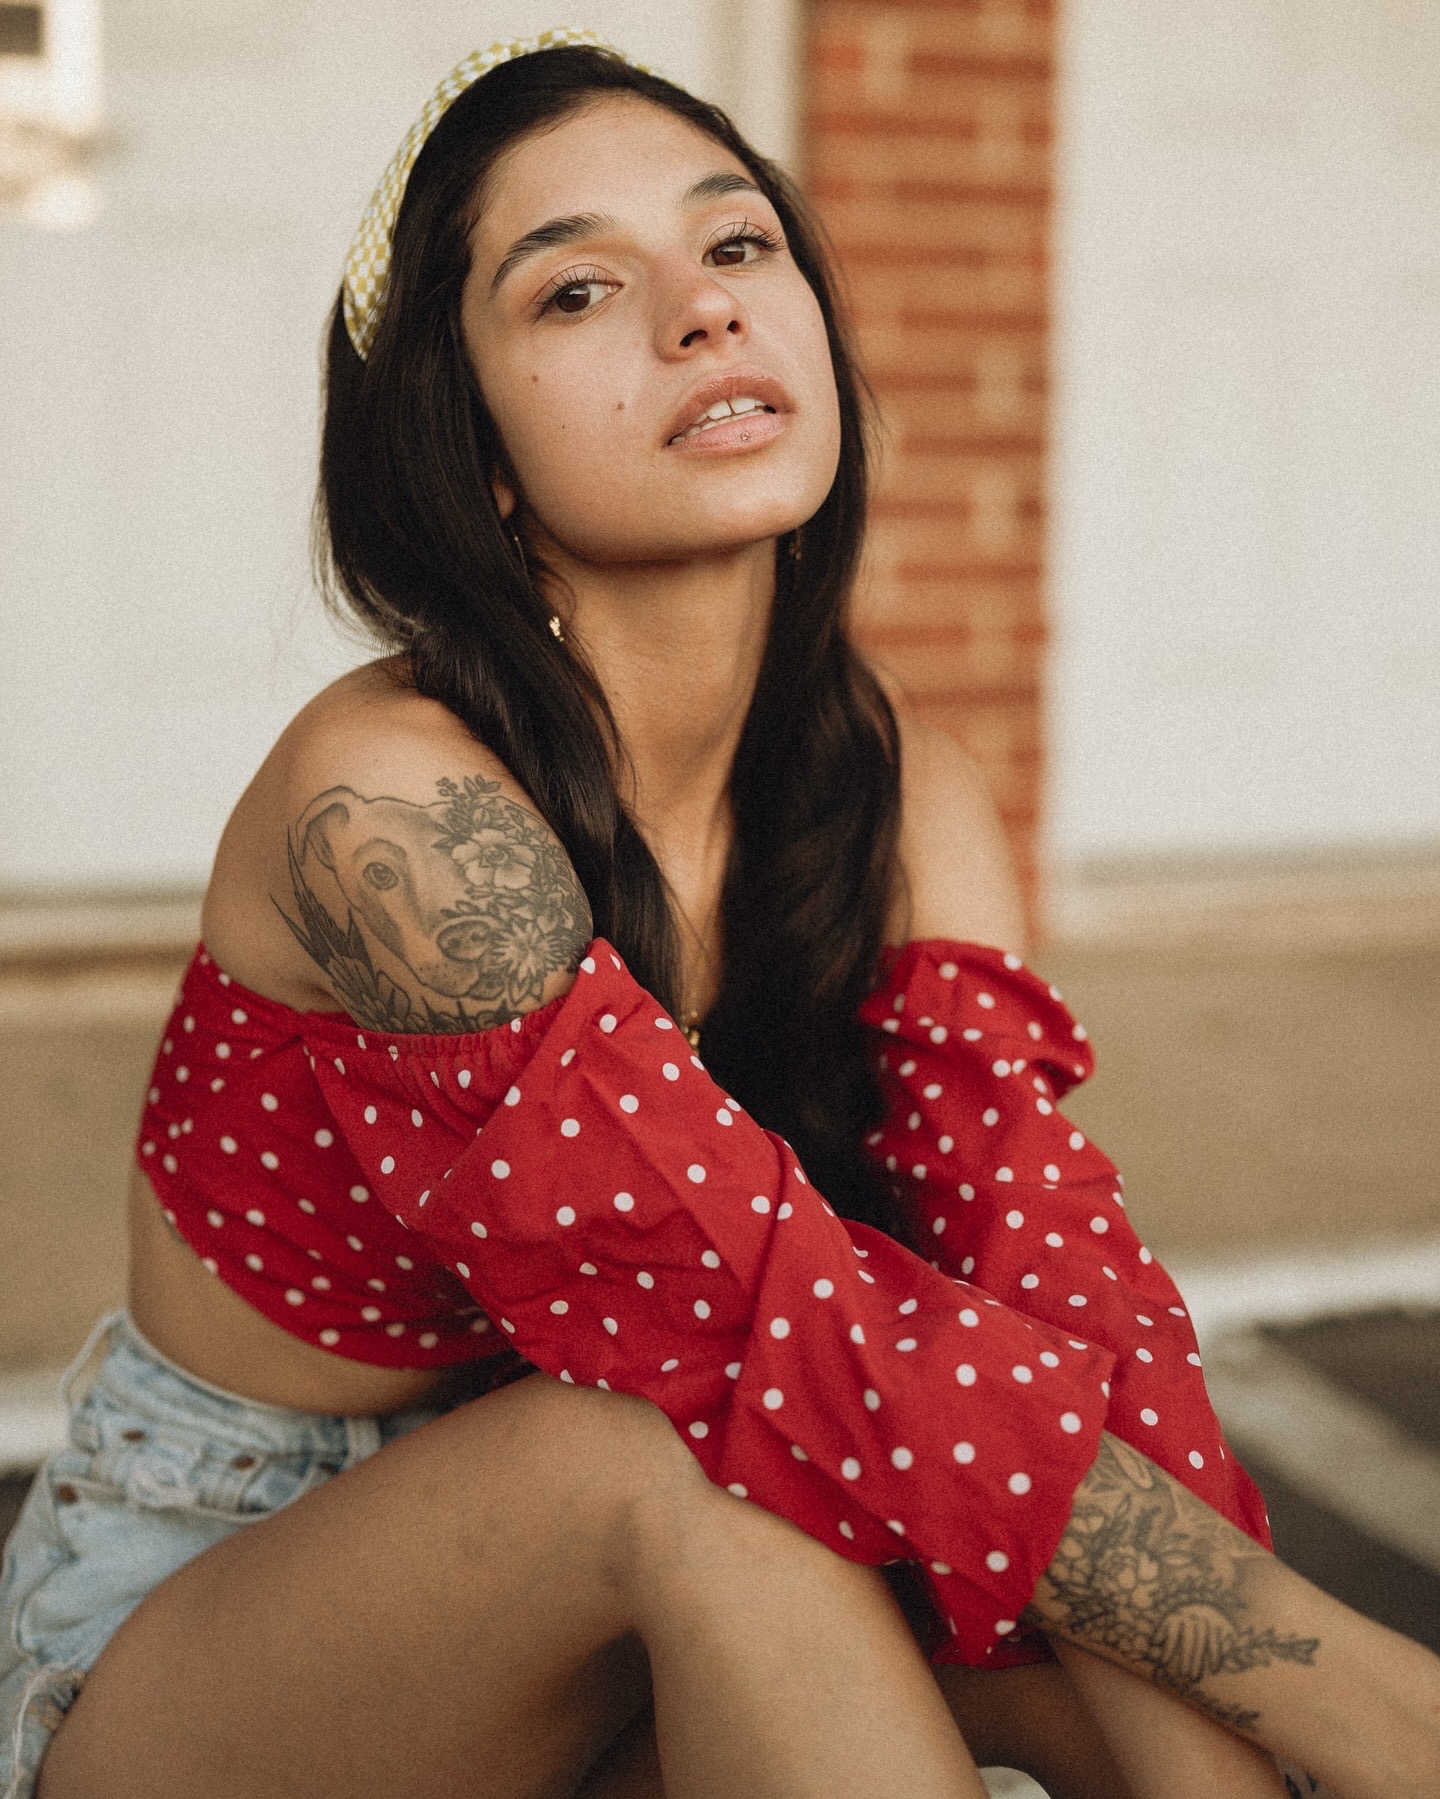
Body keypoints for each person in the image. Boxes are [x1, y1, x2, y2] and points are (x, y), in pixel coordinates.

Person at [3, 30, 1438, 1799]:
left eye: (738, 242)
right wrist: (1358, 1685)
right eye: (578, 290)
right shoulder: (393, 808)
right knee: (683, 1456)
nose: (702, 313)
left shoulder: (898, 789)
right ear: (475, 454)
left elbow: (1056, 1319)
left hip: (658, 1576)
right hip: (220, 1622)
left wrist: (1281, 1723)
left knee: (1097, 1640)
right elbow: (763, 1336)